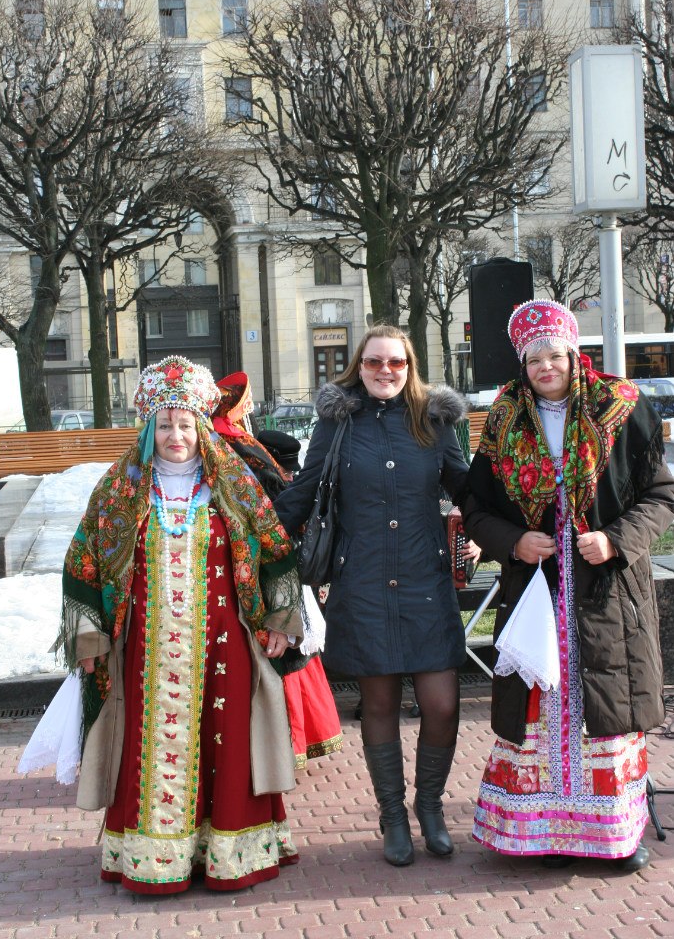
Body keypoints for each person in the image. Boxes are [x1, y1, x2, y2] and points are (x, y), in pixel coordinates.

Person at [59, 355, 303, 894]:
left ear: (201, 428)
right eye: (164, 424)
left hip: (225, 645)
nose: (176, 435)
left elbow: (276, 550)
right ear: (150, 428)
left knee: (229, 740)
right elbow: (84, 561)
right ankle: (154, 858)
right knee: (145, 748)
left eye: (186, 424)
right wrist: (88, 635)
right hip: (145, 651)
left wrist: (283, 617)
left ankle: (230, 853)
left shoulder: (233, 484)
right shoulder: (120, 488)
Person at [461, 299, 674, 872]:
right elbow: (475, 507)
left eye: (555, 354)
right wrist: (513, 541)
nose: (546, 367)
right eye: (534, 359)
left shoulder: (623, 410)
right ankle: (543, 833)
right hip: (536, 590)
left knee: (606, 711)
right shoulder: (504, 419)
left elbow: (661, 497)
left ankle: (613, 836)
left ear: (573, 353)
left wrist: (615, 540)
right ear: (522, 364)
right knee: (540, 711)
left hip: (605, 592)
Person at [275, 324, 478, 866]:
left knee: (441, 703)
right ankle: (392, 816)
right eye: (373, 363)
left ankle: (429, 807)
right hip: (361, 581)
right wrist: (254, 538)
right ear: (357, 367)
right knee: (380, 703)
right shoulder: (338, 422)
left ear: (410, 366)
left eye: (395, 362)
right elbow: (302, 490)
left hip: (424, 581)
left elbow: (468, 489)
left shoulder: (435, 421)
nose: (384, 371)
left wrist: (495, 523)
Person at [211, 371, 343, 769]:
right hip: (262, 556)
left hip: (239, 559)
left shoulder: (221, 440)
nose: (248, 411)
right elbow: (275, 500)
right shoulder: (237, 444)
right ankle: (284, 743)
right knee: (275, 644)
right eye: (245, 404)